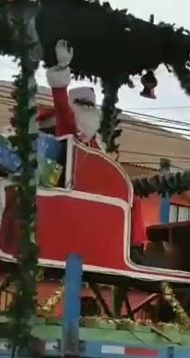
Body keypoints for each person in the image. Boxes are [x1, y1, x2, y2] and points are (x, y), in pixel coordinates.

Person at [41, 39, 147, 257]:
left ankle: (134, 245)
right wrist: (61, 72)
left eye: (91, 106)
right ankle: (131, 246)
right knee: (126, 195)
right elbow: (62, 108)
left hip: (97, 192)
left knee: (131, 195)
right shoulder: (69, 128)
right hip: (79, 191)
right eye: (84, 106)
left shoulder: (94, 141)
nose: (88, 111)